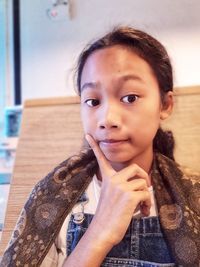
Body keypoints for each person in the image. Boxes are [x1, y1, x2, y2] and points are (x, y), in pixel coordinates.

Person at [0, 26, 199, 267]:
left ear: (165, 105)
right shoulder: (52, 196)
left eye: (130, 98)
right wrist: (99, 232)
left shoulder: (193, 198)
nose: (107, 119)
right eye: (93, 101)